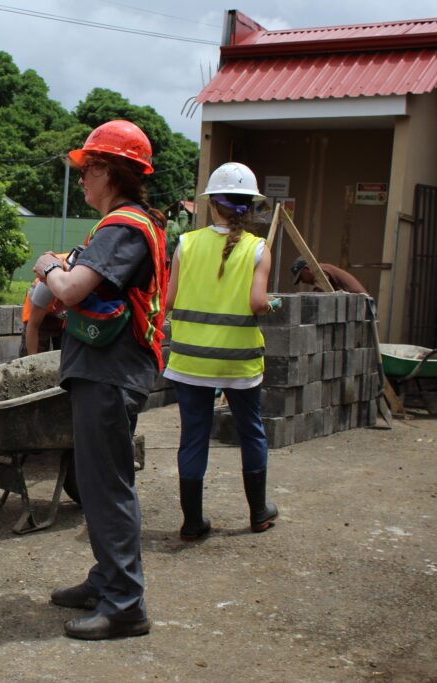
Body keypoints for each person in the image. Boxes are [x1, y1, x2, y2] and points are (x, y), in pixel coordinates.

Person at [33, 120, 168, 640]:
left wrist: (48, 265)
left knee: (107, 487)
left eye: (88, 168)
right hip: (109, 369)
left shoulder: (123, 227)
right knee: (98, 483)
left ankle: (125, 603)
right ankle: (107, 580)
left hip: (110, 371)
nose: (82, 178)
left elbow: (70, 290)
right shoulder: (128, 225)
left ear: (109, 172)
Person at [164, 161, 279, 543]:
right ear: (251, 206)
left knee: (193, 436)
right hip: (238, 361)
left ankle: (192, 523)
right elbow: (258, 302)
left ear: (212, 203)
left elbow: (169, 300)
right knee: (251, 431)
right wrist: (271, 305)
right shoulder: (258, 249)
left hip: (189, 360)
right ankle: (259, 513)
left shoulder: (186, 244)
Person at [19, 276, 65, 356]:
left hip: (62, 313)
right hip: (37, 313)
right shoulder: (45, 287)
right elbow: (33, 326)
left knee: (65, 355)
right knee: (35, 354)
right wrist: (32, 360)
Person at [290, 256, 368, 294]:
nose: (302, 281)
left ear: (306, 269)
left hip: (362, 304)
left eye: (301, 277)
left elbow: (319, 292)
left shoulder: (320, 271)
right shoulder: (323, 268)